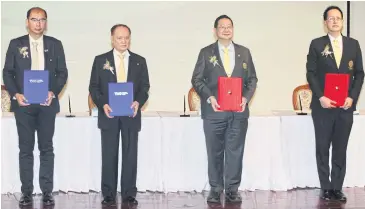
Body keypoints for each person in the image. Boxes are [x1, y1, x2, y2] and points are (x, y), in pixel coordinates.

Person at [2, 7, 68, 206]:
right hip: (24, 105)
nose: (38, 23)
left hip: (47, 104)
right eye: (34, 19)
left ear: (46, 22)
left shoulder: (55, 45)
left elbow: (62, 73)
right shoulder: (16, 44)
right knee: (25, 150)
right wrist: (16, 94)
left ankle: (47, 192)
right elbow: (7, 73)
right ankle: (26, 193)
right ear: (27, 22)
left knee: (46, 149)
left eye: (42, 20)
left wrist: (53, 92)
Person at [191, 15, 258, 204]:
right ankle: (215, 188)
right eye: (222, 27)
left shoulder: (244, 52)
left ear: (233, 29)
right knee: (215, 151)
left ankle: (232, 189)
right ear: (215, 31)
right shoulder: (206, 53)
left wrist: (246, 97)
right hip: (214, 112)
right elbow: (196, 79)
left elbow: (252, 79)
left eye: (229, 27)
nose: (226, 30)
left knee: (235, 151)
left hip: (238, 112)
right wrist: (209, 97)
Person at [306, 5, 364, 202]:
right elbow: (311, 73)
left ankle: (337, 188)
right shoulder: (316, 44)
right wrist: (321, 96)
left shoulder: (353, 44)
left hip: (345, 107)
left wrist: (352, 97)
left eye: (338, 18)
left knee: (340, 148)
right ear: (325, 23)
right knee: (322, 147)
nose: (335, 21)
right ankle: (326, 187)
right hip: (323, 107)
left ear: (342, 21)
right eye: (331, 18)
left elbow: (359, 73)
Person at [88, 24, 150, 206]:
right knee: (109, 155)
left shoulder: (140, 61)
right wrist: (102, 104)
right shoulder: (101, 61)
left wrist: (138, 101)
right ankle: (108, 194)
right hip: (109, 115)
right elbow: (93, 87)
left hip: (131, 115)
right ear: (112, 39)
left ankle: (129, 193)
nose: (124, 41)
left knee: (130, 155)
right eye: (120, 38)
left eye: (127, 38)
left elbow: (145, 87)